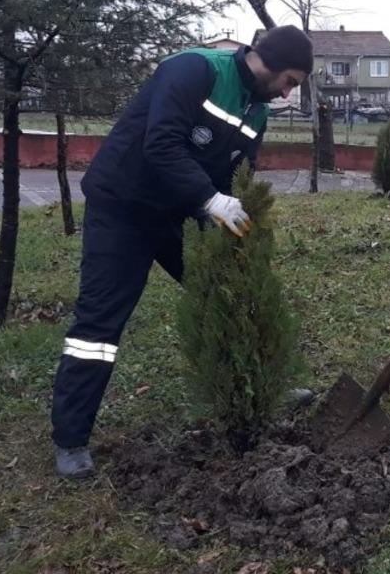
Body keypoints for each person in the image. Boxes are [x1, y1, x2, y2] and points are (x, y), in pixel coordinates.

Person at [50, 26, 312, 479]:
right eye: (290, 80)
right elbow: (161, 143)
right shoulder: (194, 69)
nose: (289, 92)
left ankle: (260, 386)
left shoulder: (258, 108)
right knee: (99, 326)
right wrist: (209, 200)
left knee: (230, 291)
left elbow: (240, 172)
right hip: (124, 208)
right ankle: (70, 439)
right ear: (268, 61)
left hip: (181, 210)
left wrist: (233, 213)